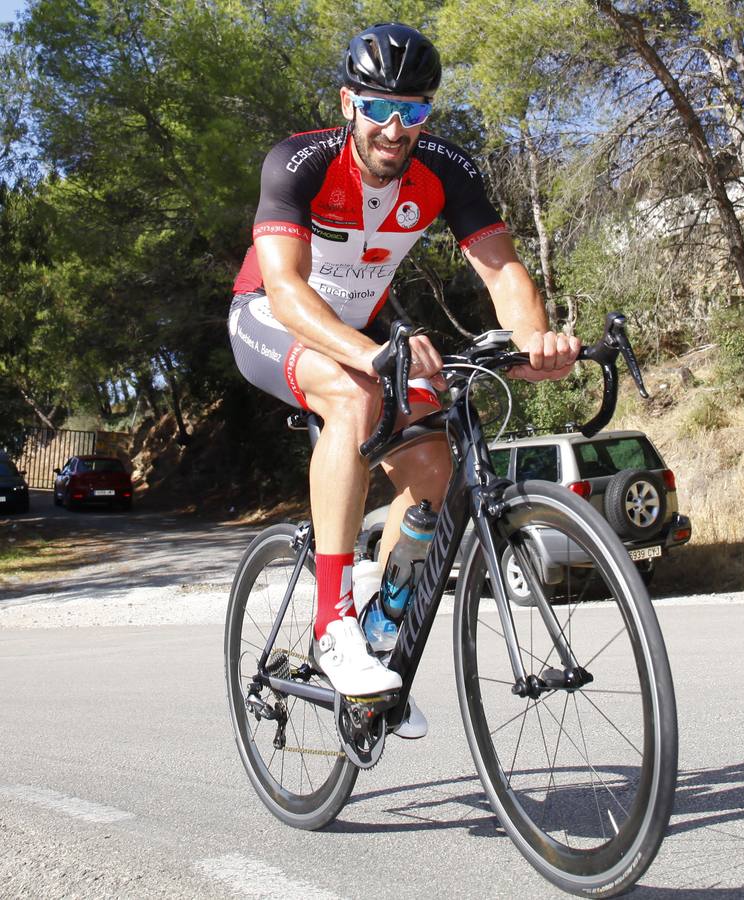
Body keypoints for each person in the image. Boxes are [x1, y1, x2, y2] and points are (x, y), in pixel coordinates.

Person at [227, 23, 579, 736]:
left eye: (413, 110)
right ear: (348, 102)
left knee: (435, 468)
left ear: (427, 113)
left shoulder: (444, 170)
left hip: (367, 332)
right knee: (354, 395)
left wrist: (533, 336)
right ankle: (333, 625)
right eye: (380, 107)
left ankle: (380, 631)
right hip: (270, 318)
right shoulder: (298, 162)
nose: (395, 126)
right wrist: (365, 352)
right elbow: (289, 292)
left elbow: (501, 269)